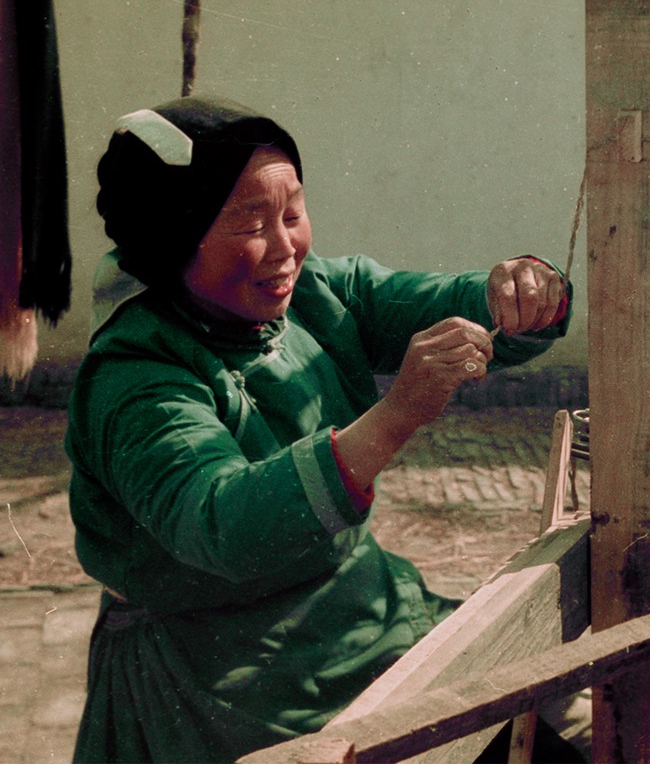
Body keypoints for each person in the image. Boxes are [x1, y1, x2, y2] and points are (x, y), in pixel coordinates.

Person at [66, 97, 573, 762]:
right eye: (252, 224)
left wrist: (523, 292)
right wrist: (395, 415)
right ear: (175, 234)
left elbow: (446, 304)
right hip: (219, 677)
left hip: (356, 615)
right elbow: (221, 523)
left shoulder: (315, 298)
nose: (285, 249)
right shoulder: (138, 374)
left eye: (292, 214)